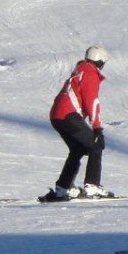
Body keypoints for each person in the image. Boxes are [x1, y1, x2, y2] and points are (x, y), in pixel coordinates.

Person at [47, 45, 109, 200]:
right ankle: (92, 186)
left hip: (57, 116)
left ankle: (63, 187)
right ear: (100, 61)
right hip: (68, 115)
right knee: (96, 145)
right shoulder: (90, 73)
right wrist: (97, 128)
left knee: (78, 149)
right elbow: (92, 101)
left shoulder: (79, 71)